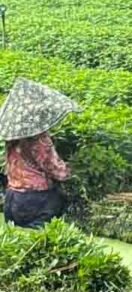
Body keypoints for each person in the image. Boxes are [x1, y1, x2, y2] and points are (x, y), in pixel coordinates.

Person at [0, 77, 80, 229]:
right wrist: (71, 173)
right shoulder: (39, 138)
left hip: (12, 199)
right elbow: (54, 168)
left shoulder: (12, 135)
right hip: (36, 200)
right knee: (40, 243)